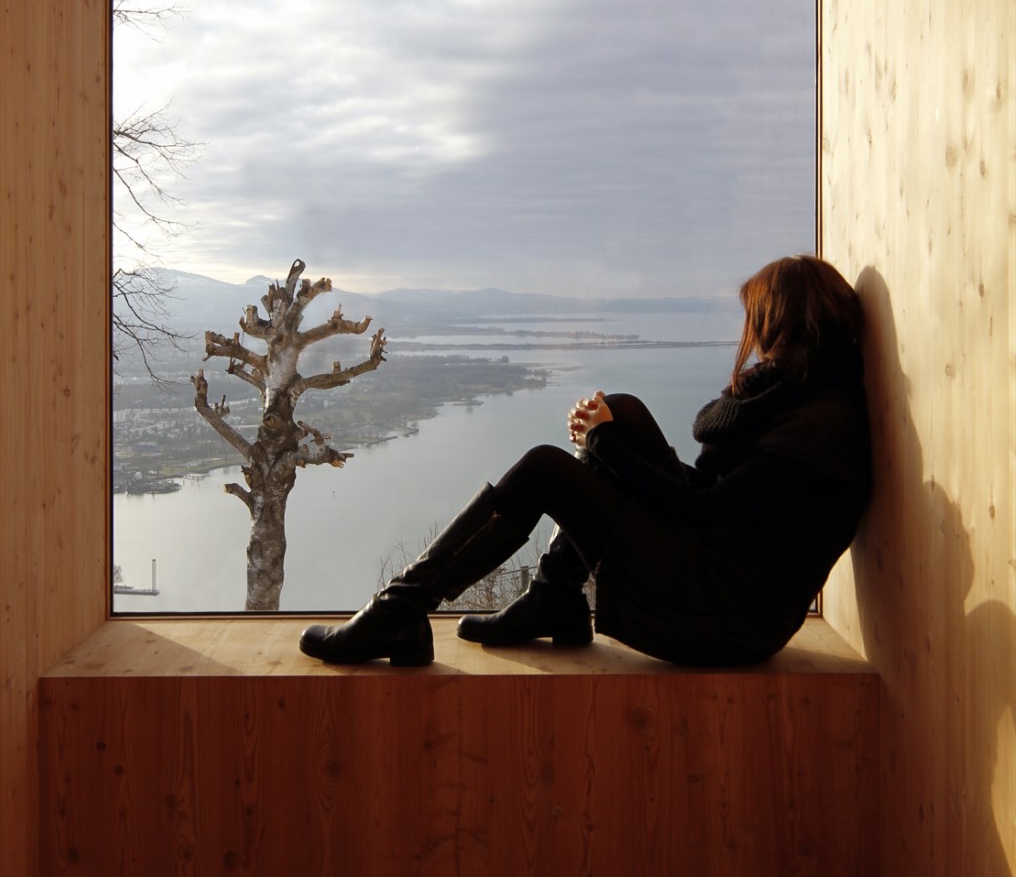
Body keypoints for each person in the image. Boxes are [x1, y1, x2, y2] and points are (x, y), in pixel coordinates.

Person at [299, 255, 871, 669]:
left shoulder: (817, 432)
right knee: (620, 409)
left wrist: (603, 448)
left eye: (759, 323)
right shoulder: (804, 397)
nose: (751, 338)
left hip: (723, 619)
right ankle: (555, 599)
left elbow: (704, 509)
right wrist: (609, 433)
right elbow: (719, 503)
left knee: (549, 467)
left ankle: (399, 609)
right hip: (719, 578)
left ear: (784, 326)